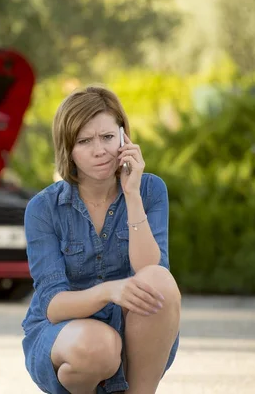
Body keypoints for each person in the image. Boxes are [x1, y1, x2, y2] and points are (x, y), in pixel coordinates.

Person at [21, 85, 181, 394]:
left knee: (160, 281)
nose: (100, 150)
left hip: (137, 334)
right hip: (66, 336)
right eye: (84, 141)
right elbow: (53, 306)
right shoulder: (43, 208)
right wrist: (110, 291)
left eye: (108, 137)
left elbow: (151, 270)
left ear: (124, 137)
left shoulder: (150, 190)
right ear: (68, 149)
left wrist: (132, 195)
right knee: (98, 347)